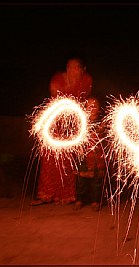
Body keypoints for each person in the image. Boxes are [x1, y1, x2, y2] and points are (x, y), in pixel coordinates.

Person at [31, 56, 93, 206]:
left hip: (73, 123)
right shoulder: (57, 79)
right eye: (69, 67)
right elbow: (57, 100)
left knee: (67, 160)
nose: (72, 70)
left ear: (83, 69)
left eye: (75, 67)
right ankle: (47, 194)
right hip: (56, 122)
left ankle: (67, 195)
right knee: (49, 158)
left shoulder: (86, 80)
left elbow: (83, 101)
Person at [74, 97, 107, 211]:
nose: (92, 108)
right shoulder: (82, 122)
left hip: (98, 155)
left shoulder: (102, 122)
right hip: (84, 155)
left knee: (97, 181)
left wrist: (100, 130)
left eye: (95, 106)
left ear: (98, 108)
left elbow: (105, 135)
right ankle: (79, 199)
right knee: (81, 181)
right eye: (89, 106)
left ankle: (95, 201)